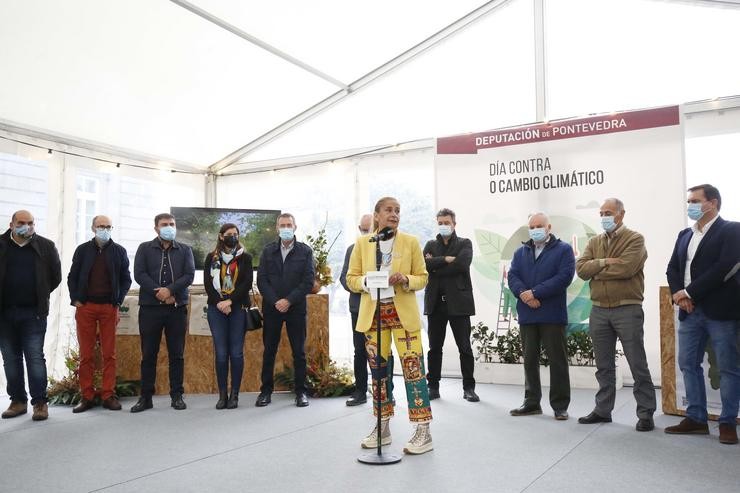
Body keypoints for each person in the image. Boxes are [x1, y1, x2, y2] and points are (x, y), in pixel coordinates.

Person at [347, 196, 433, 455]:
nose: (394, 214)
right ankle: (382, 427)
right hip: (373, 318)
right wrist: (366, 282)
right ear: (376, 215)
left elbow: (423, 277)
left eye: (397, 210)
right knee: (379, 376)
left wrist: (405, 278)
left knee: (414, 371)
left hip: (403, 316)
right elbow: (351, 279)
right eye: (388, 210)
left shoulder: (411, 242)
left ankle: (423, 431)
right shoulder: (363, 243)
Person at [665, 184, 740, 445]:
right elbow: (672, 268)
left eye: (695, 201)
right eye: (689, 201)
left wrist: (690, 293)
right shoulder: (684, 234)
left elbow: (725, 267)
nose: (691, 206)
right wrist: (678, 294)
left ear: (713, 203)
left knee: (728, 367)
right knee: (688, 363)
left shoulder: (732, 229)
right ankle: (696, 418)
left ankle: (728, 422)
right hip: (689, 312)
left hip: (720, 311)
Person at [575, 198, 656, 431]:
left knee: (637, 362)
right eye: (601, 213)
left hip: (627, 308)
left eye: (608, 212)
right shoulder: (594, 241)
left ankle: (645, 412)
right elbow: (581, 270)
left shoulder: (635, 239)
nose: (603, 217)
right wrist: (604, 261)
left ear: (621, 214)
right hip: (599, 309)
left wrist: (597, 270)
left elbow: (627, 268)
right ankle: (602, 410)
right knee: (604, 365)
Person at [507, 212, 574, 420]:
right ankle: (532, 402)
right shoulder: (521, 252)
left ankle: (560, 405)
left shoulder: (563, 250)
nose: (535, 229)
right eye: (532, 226)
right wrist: (524, 295)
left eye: (539, 226)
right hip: (528, 313)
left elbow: (564, 277)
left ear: (549, 227)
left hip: (552, 314)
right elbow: (513, 276)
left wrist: (536, 293)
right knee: (529, 360)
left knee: (558, 361)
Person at [0, 210, 61, 421]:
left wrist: (39, 294)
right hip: (4, 313)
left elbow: (55, 277)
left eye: (30, 223)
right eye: (22, 223)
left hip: (33, 313)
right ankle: (17, 401)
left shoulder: (45, 246)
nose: (27, 226)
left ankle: (40, 403)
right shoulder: (1, 245)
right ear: (12, 224)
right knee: (10, 359)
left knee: (35, 357)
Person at [130, 213, 195, 413]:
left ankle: (177, 395)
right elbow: (139, 274)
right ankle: (146, 397)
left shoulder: (185, 250)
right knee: (149, 354)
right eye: (165, 224)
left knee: (177, 355)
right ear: (156, 228)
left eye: (172, 224)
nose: (169, 227)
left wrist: (171, 291)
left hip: (176, 309)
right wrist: (159, 292)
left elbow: (189, 275)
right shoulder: (144, 248)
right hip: (150, 309)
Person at [67, 215, 132, 413]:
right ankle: (86, 396)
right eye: (101, 226)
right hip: (86, 307)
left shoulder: (119, 251)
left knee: (109, 355)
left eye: (108, 226)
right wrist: (76, 298)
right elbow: (73, 276)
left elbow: (126, 279)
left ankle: (107, 395)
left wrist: (118, 301)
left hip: (108, 308)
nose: (104, 229)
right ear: (93, 228)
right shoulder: (82, 250)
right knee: (86, 355)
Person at [255, 213, 315, 408]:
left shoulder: (305, 252)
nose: (286, 228)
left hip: (296, 309)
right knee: (269, 351)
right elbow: (262, 281)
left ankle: (301, 392)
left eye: (289, 224)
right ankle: (265, 391)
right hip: (272, 309)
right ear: (277, 228)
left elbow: (308, 281)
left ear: (295, 227)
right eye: (283, 225)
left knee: (299, 352)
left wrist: (288, 301)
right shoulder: (267, 251)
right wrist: (276, 302)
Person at [423, 208, 479, 402]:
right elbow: (424, 266)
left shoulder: (465, 243)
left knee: (464, 347)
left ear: (454, 224)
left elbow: (462, 265)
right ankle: (433, 387)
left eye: (447, 222)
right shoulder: (430, 244)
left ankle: (469, 388)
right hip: (435, 304)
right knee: (434, 348)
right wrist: (445, 260)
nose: (443, 226)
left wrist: (436, 267)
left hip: (459, 304)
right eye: (440, 223)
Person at [340, 214, 396, 406]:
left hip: (385, 308)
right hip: (360, 307)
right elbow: (345, 279)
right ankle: (360, 391)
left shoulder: (388, 248)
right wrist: (364, 284)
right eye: (363, 229)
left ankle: (388, 392)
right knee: (360, 351)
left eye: (369, 229)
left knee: (385, 351)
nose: (367, 233)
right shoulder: (353, 249)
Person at [204, 223, 253, 410]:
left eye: (236, 234)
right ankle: (222, 394)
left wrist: (230, 301)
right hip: (216, 309)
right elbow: (208, 284)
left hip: (237, 308)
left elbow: (247, 283)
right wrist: (219, 302)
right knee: (222, 354)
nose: (233, 236)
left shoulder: (245, 258)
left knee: (236, 353)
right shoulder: (211, 257)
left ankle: (235, 395)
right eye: (229, 234)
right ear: (221, 236)